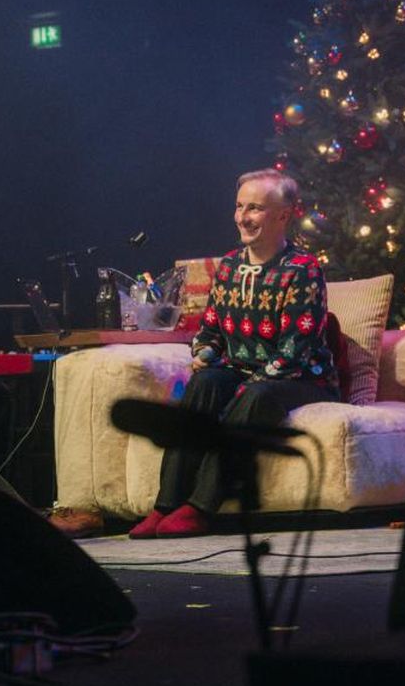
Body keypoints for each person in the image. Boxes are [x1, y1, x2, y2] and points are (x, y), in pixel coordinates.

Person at [129, 168, 339, 539]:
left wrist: (247, 382)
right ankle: (166, 504)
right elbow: (210, 330)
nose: (243, 217)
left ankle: (201, 507)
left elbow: (296, 349)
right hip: (245, 371)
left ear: (283, 216)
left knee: (255, 394)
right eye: (240, 206)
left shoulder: (302, 270)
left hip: (302, 378)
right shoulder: (229, 266)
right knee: (206, 383)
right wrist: (205, 353)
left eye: (255, 208)